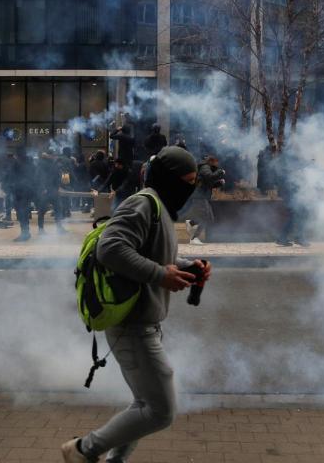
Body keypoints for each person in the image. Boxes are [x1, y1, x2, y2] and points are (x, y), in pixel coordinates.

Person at [63, 146, 212, 463]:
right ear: (168, 179)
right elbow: (111, 249)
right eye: (186, 181)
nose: (190, 188)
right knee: (160, 411)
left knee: (145, 404)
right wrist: (160, 275)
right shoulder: (143, 203)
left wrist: (188, 266)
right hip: (132, 326)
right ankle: (82, 450)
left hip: (145, 323)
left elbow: (156, 257)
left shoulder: (159, 208)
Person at [185, 155, 225, 245]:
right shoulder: (205, 167)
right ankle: (194, 238)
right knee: (206, 217)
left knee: (210, 218)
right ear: (212, 161)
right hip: (200, 197)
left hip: (202, 197)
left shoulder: (206, 167)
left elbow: (207, 183)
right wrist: (220, 172)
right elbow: (209, 177)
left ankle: (191, 223)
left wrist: (219, 183)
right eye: (216, 162)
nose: (217, 164)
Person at [9, 147, 36, 242]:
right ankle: (26, 232)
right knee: (24, 212)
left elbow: (11, 176)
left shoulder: (17, 163)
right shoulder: (31, 163)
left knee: (21, 213)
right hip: (29, 191)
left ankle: (25, 233)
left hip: (20, 191)